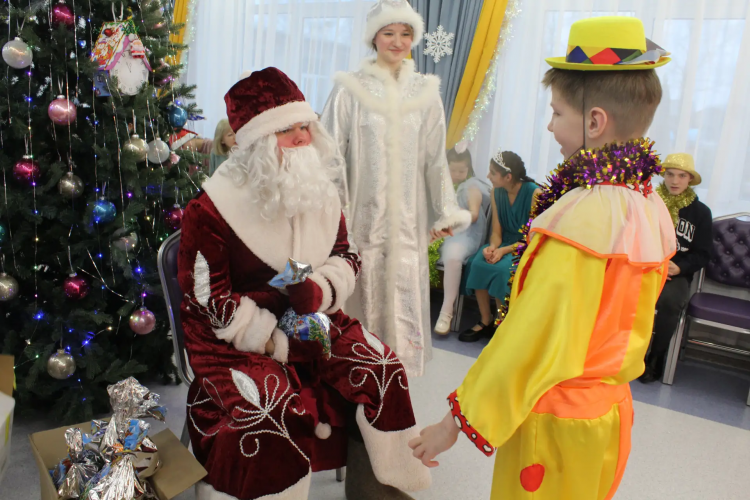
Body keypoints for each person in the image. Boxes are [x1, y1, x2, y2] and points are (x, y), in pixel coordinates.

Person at [409, 16, 676, 500]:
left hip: (558, 425)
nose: (550, 125)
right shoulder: (649, 204)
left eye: (556, 112)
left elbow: (532, 337)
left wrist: (453, 422)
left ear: (594, 122)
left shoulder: (583, 218)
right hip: (609, 417)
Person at [179, 67, 430, 500]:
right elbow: (208, 299)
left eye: (304, 126)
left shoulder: (319, 190)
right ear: (257, 141)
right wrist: (273, 341)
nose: (301, 138)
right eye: (286, 130)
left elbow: (346, 254)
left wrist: (322, 288)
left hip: (314, 315)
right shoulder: (212, 208)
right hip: (238, 336)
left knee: (383, 370)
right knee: (268, 407)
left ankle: (383, 491)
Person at [321, 0, 470, 377]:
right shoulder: (349, 90)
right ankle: (357, 371)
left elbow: (435, 159)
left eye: (405, 33)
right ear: (374, 36)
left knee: (402, 300)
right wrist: (334, 217)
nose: (398, 41)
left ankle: (395, 379)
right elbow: (329, 155)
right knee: (362, 295)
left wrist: (445, 211)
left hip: (407, 220)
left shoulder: (425, 93)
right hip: (362, 221)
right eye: (389, 32)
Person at [640, 153, 712, 383]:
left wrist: (680, 268)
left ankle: (656, 358)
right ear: (663, 175)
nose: (674, 181)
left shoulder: (700, 213)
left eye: (681, 176)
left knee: (670, 302)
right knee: (626, 292)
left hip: (677, 273)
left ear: (689, 179)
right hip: (646, 266)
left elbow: (703, 254)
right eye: (670, 174)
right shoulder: (648, 202)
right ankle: (626, 352)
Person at [458, 150, 540, 342]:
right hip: (503, 243)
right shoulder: (496, 192)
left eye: (493, 173)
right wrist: (493, 247)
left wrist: (503, 251)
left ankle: (502, 323)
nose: (488, 176)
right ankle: (485, 320)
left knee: (503, 270)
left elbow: (532, 237)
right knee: (479, 262)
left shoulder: (535, 193)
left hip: (525, 247)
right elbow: (496, 231)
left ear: (508, 177)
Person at [433, 148, 492, 335]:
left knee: (453, 256)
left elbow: (473, 215)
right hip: (440, 231)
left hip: (464, 233)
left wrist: (451, 224)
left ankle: (446, 312)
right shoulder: (440, 185)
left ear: (469, 169)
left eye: (462, 170)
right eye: (453, 170)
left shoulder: (471, 186)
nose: (457, 174)